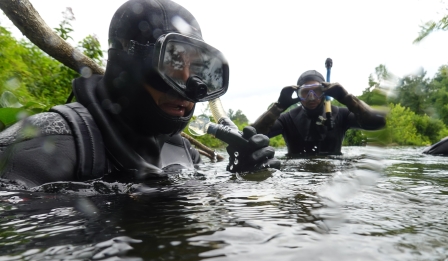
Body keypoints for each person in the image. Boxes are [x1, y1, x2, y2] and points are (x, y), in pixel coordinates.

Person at [0, 0, 279, 188]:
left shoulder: (182, 152)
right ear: (127, 66)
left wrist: (242, 177)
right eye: (173, 64)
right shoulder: (38, 147)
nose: (190, 86)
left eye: (199, 70)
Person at [252, 70, 386, 156]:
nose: (311, 97)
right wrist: (278, 107)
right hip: (296, 179)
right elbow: (251, 136)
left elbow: (378, 122)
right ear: (298, 95)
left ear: (325, 92)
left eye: (316, 91)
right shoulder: (286, 119)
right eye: (305, 92)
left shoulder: (341, 115)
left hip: (333, 178)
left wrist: (348, 99)